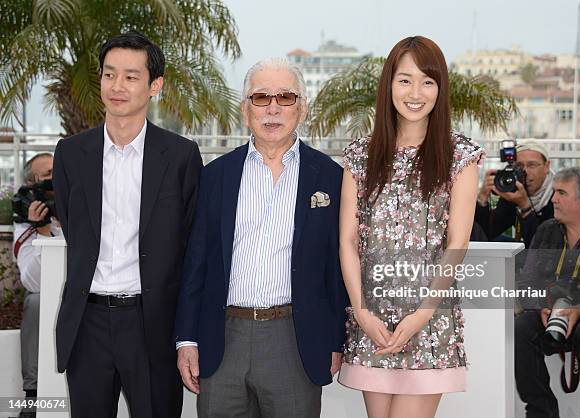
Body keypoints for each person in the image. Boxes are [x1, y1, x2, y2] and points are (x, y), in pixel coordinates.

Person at [174, 58, 348, 418]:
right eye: (260, 97)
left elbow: (337, 266)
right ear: (245, 109)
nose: (272, 108)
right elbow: (196, 262)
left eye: (285, 97)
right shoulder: (216, 175)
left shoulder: (330, 177)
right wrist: (187, 339)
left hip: (295, 341)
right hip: (222, 338)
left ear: (301, 108)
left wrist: (335, 338)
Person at [52, 32, 202, 418]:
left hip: (152, 323)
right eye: (109, 74)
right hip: (87, 323)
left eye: (131, 77)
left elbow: (189, 242)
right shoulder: (71, 154)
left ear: (155, 86)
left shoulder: (181, 156)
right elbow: (74, 227)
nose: (117, 86)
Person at [338, 36, 484, 418]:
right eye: (404, 80)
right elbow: (348, 240)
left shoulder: (460, 155)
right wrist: (361, 312)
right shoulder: (360, 154)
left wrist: (423, 313)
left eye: (427, 81)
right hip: (372, 321)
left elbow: (458, 243)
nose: (415, 92)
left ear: (440, 89)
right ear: (389, 85)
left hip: (428, 320)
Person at [515, 167, 580, 418]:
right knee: (522, 327)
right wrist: (541, 307)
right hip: (551, 308)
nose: (553, 199)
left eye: (561, 193)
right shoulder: (547, 231)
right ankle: (541, 411)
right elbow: (528, 282)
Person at [12, 153, 63, 418]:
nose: (54, 180)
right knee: (35, 301)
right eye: (47, 176)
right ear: (32, 184)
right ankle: (33, 394)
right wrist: (43, 231)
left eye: (59, 172)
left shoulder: (83, 202)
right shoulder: (25, 217)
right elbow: (33, 281)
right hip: (53, 294)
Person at [475, 141, 554, 248]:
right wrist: (482, 199)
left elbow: (544, 247)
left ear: (547, 166)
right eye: (519, 166)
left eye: (532, 165)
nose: (525, 171)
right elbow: (487, 233)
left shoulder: (558, 195)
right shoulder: (514, 192)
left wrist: (525, 207)